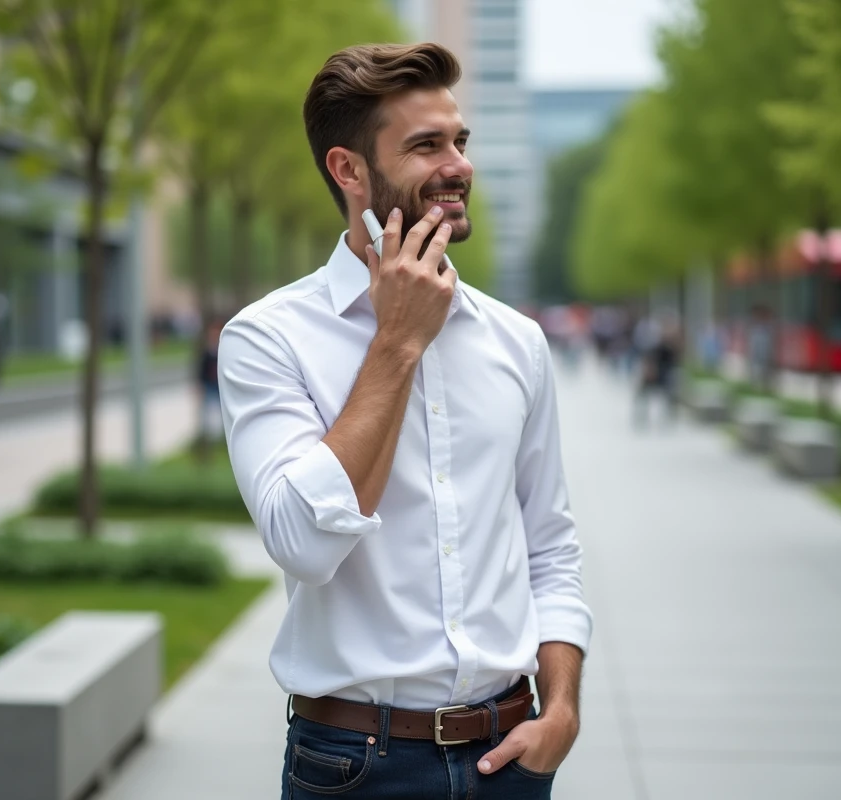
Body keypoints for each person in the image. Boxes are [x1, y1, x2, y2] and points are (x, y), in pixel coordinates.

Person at [218, 43, 591, 800]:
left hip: (510, 761)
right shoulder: (267, 338)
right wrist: (396, 342)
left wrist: (563, 711)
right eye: (426, 146)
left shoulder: (516, 341)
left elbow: (549, 544)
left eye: (460, 142)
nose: (458, 165)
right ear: (349, 171)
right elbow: (304, 543)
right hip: (354, 766)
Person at [193, 315, 224, 458]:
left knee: (222, 413)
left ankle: (222, 438)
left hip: (219, 387)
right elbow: (200, 369)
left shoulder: (223, 350)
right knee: (206, 415)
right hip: (208, 385)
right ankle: (205, 441)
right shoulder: (205, 352)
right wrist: (199, 385)